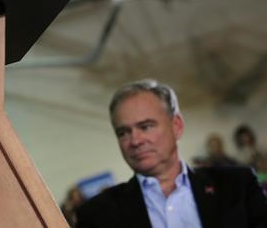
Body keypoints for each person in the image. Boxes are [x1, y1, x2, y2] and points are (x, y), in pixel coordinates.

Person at [76, 79, 267, 228]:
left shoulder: (237, 186)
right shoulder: (97, 214)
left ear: (177, 126)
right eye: (123, 132)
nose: (135, 141)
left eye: (146, 126)